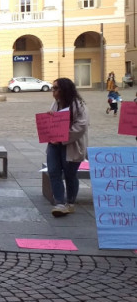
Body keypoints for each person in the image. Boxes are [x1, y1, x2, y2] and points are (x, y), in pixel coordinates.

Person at [46, 78, 89, 217]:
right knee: (53, 171)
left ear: (64, 90)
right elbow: (55, 122)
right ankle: (59, 202)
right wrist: (50, 119)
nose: (53, 91)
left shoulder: (79, 105)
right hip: (54, 144)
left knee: (70, 174)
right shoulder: (56, 103)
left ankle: (70, 202)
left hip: (70, 145)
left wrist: (63, 138)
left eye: (55, 88)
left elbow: (81, 126)